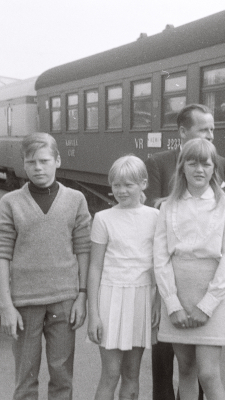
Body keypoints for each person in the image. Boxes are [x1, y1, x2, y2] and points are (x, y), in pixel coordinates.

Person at [145, 103, 225, 400]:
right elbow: (160, 256)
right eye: (192, 163)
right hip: (177, 295)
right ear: (182, 166)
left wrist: (207, 304)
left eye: (206, 164)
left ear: (215, 169)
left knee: (208, 373)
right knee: (185, 369)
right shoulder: (168, 206)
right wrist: (172, 303)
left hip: (211, 293)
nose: (200, 169)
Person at [0, 132, 91, 400]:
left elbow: (83, 250)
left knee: (62, 377)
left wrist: (82, 296)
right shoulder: (10, 202)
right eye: (31, 162)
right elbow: (2, 254)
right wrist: (6, 305)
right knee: (25, 379)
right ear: (23, 165)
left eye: (44, 160)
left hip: (64, 300)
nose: (38, 167)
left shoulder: (75, 199)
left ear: (57, 161)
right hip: (24, 303)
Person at [87, 155, 160, 400]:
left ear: (143, 183)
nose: (121, 190)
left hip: (141, 297)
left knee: (132, 373)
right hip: (110, 297)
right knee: (110, 373)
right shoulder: (103, 218)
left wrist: (158, 300)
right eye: (116, 185)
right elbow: (95, 267)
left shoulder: (155, 217)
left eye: (128, 184)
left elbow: (160, 264)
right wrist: (94, 313)